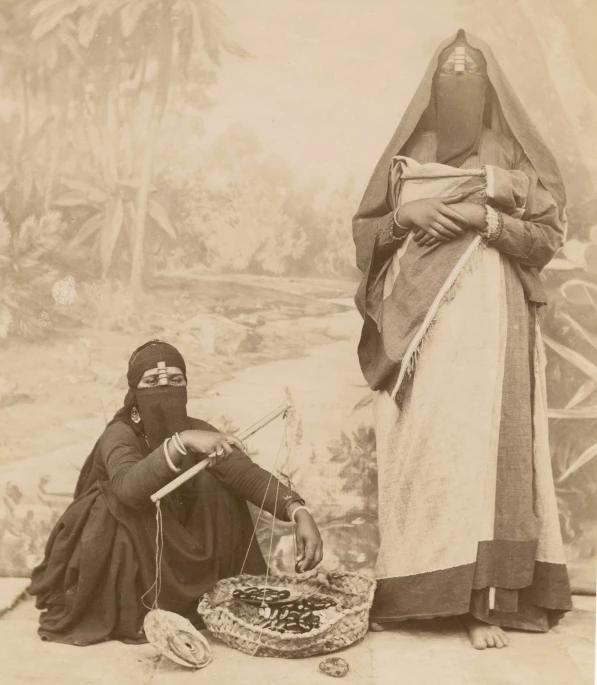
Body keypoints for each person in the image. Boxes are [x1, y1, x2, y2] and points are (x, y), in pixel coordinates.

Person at [352, 29, 572, 650]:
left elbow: (546, 238)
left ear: (488, 81)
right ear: (431, 81)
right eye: (447, 68)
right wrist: (406, 216)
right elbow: (365, 232)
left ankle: (484, 602)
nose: (458, 75)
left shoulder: (511, 152)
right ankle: (418, 590)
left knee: (484, 453)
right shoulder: (410, 148)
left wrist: (485, 216)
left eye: (468, 68)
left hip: (492, 318)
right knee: (427, 451)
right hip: (418, 321)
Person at [28, 340, 323, 646]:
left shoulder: (198, 429)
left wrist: (297, 510)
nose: (164, 388)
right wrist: (181, 442)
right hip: (131, 546)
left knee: (216, 483)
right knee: (110, 504)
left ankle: (199, 600)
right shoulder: (120, 434)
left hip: (179, 549)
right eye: (152, 382)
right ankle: (137, 608)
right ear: (134, 392)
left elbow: (244, 474)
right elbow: (130, 490)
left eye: (175, 380)